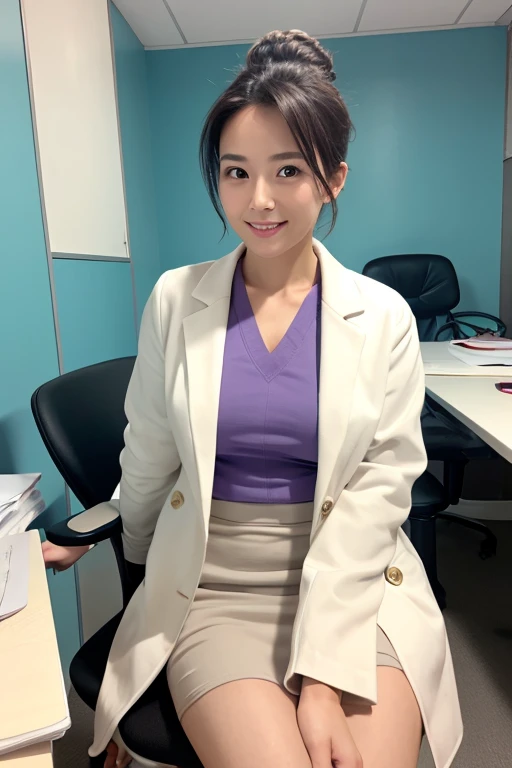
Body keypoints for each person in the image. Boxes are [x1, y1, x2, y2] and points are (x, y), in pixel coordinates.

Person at [44, 30, 462, 768]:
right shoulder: (177, 300)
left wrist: (325, 679)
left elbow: (379, 492)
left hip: (356, 576)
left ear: (333, 178)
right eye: (236, 172)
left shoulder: (384, 316)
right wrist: (108, 535)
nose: (259, 200)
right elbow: (148, 454)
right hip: (217, 583)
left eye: (288, 170)